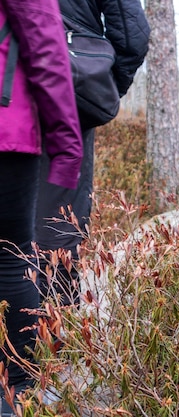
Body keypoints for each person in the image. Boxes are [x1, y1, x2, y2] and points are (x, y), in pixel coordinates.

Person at [36, 0, 150, 307]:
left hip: (27, 94)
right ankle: (51, 341)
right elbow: (132, 37)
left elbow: (132, 37)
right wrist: (94, 90)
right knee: (56, 228)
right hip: (67, 94)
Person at [0, 0, 83, 412]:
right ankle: (16, 392)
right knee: (10, 259)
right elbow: (46, 47)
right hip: (6, 134)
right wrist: (68, 144)